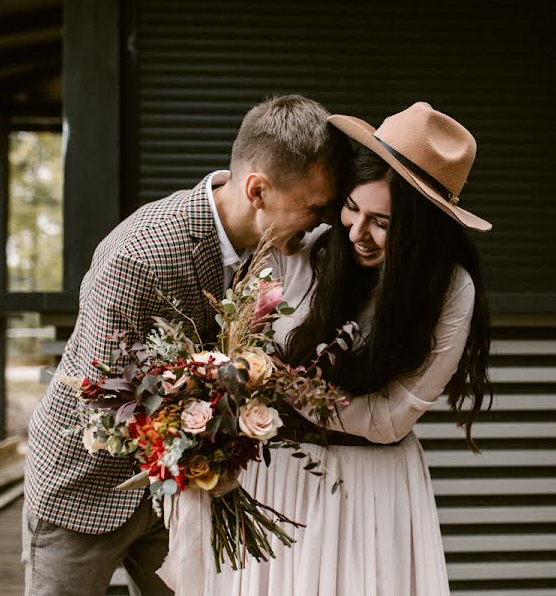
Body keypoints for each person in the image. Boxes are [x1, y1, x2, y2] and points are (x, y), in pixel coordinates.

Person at [22, 94, 350, 596]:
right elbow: (103, 390)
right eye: (314, 206)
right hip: (82, 489)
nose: (324, 220)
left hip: (175, 496)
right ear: (257, 190)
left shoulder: (276, 253)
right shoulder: (141, 254)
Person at [182, 102, 491, 595]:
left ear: (423, 228)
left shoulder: (452, 290)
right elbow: (245, 339)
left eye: (383, 224)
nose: (355, 233)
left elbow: (391, 418)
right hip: (278, 474)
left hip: (371, 488)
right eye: (351, 207)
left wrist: (285, 387)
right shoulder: (307, 247)